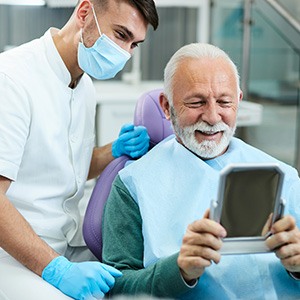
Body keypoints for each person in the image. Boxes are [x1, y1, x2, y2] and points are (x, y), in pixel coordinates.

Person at [102, 43, 300, 299]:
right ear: (166, 106)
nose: (212, 116)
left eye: (224, 102)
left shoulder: (284, 177)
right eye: (197, 102)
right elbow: (116, 287)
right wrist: (179, 270)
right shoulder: (132, 184)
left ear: (238, 101)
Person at [0, 0, 158, 299]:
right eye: (120, 35)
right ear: (85, 13)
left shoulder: (84, 85)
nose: (125, 53)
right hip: (11, 256)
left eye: (134, 44)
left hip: (63, 244)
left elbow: (65, 167)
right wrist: (57, 269)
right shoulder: (11, 79)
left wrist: (113, 150)